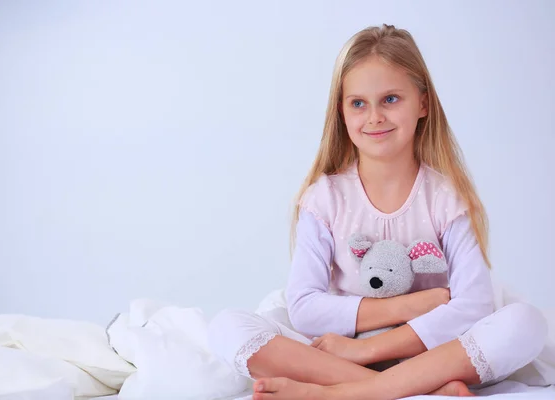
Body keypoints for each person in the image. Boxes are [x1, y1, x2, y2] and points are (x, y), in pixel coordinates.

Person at [207, 24, 548, 400]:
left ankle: (340, 393)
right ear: (341, 111)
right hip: (339, 350)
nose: (374, 117)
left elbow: (474, 304)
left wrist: (365, 349)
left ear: (423, 104)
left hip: (427, 352)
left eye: (390, 99)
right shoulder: (325, 198)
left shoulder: (445, 196)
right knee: (227, 327)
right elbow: (304, 308)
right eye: (358, 103)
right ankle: (417, 390)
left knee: (526, 323)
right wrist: (414, 304)